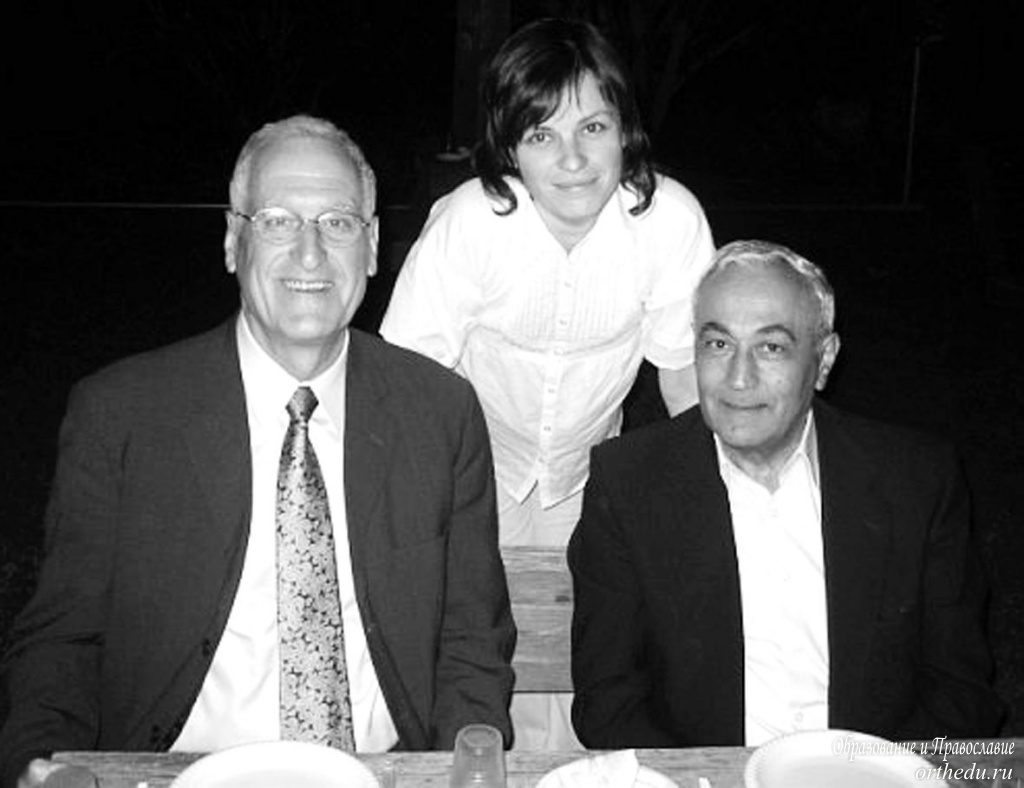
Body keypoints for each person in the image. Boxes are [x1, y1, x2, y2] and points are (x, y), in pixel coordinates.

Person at [0, 115, 516, 788]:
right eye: (277, 221)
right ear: (232, 241)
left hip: (382, 771)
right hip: (179, 770)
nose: (310, 254)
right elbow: (64, 640)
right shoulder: (123, 415)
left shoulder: (440, 414)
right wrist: (41, 760)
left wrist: (457, 767)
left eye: (337, 223)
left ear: (371, 247)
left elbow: (471, 639)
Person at [379, 18, 713, 750]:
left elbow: (686, 378)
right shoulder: (469, 224)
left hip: (589, 475)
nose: (572, 160)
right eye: (541, 135)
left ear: (625, 129)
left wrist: (703, 507)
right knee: (469, 660)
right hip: (474, 473)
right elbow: (406, 384)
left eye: (593, 127)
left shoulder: (669, 222)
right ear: (509, 147)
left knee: (583, 661)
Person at [569, 240, 1004, 748]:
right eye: (718, 344)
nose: (739, 378)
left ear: (824, 360)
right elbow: (609, 703)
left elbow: (959, 691)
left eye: (771, 347)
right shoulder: (630, 483)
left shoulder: (914, 482)